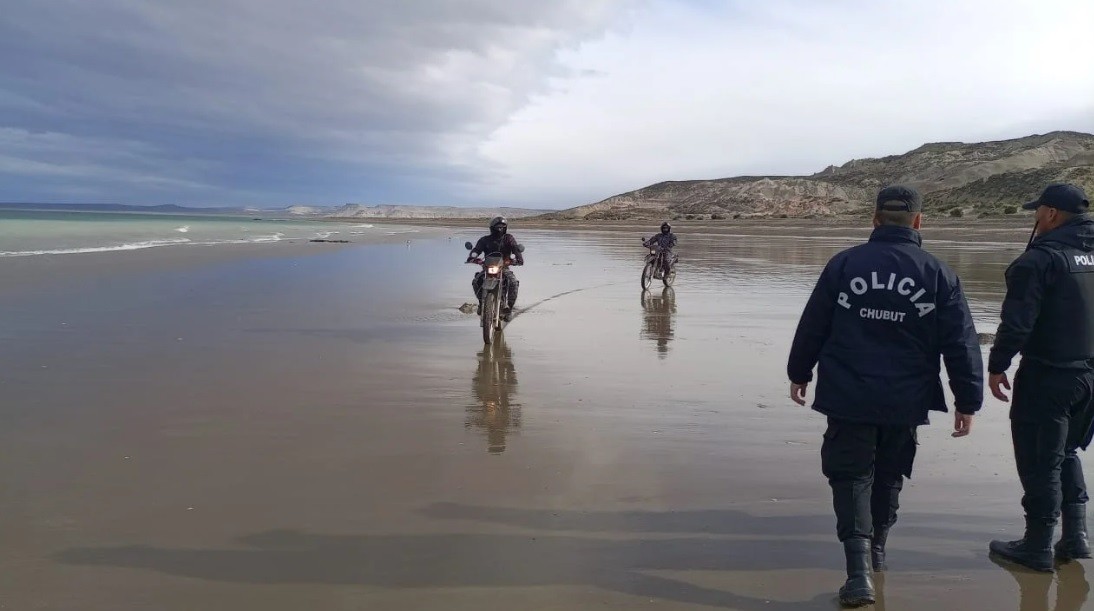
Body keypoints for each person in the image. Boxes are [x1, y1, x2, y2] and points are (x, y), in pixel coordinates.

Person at [787, 185, 983, 607]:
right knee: (889, 474)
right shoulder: (938, 273)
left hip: (849, 393)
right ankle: (876, 554)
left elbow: (813, 325)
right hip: (905, 398)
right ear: (918, 222)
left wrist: (798, 372)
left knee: (851, 475)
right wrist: (967, 401)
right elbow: (961, 344)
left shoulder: (844, 264)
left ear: (874, 219)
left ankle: (858, 573)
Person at [987, 183, 1094, 573]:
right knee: (1065, 452)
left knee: (1039, 461)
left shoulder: (1041, 260)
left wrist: (997, 364)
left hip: (1049, 375)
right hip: (1088, 376)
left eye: (1038, 211)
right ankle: (1076, 535)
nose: (1035, 218)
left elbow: (1017, 324)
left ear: (1050, 214)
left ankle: (1036, 546)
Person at [467, 216, 524, 320]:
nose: (500, 229)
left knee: (513, 282)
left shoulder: (509, 238)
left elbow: (515, 249)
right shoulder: (485, 240)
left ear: (505, 228)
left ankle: (508, 309)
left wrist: (518, 259)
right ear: (492, 228)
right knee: (476, 281)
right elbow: (477, 249)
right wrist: (473, 257)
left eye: (502, 227)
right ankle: (481, 303)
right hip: (487, 267)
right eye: (497, 227)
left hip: (503, 268)